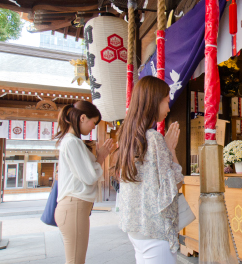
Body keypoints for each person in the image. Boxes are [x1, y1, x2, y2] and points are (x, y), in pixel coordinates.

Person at [115, 76, 183, 264]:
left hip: (136, 227)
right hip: (155, 230)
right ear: (154, 101)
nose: (169, 109)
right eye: (166, 102)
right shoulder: (153, 138)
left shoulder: (129, 137)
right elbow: (174, 184)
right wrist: (170, 150)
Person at [54, 101, 114, 264]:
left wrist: (99, 158)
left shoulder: (73, 141)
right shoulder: (72, 142)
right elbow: (88, 177)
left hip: (75, 207)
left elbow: (86, 173)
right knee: (75, 261)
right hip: (74, 206)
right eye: (93, 123)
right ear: (82, 118)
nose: (93, 128)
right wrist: (100, 158)